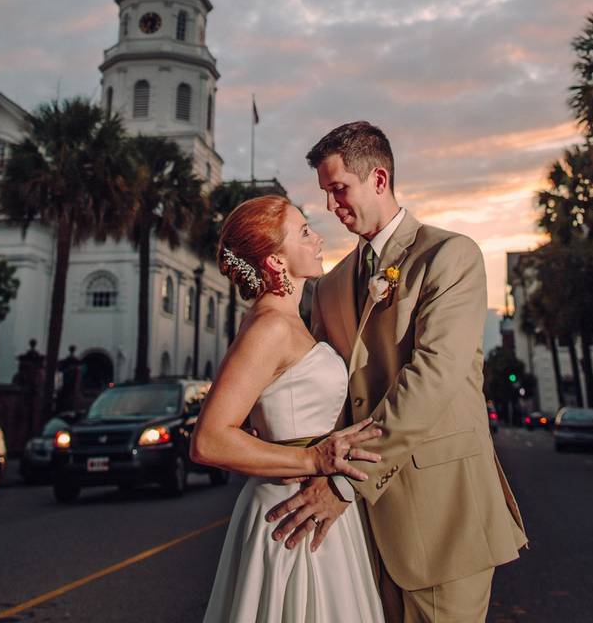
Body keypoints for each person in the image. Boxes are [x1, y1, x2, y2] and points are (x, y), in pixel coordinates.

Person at [264, 121, 529, 622]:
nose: (331, 206)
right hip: (359, 531)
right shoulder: (332, 284)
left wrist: (344, 483)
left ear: (379, 180)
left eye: (339, 189)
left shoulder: (450, 256)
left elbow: (434, 378)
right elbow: (332, 389)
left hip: (443, 517)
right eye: (324, 193)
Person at [191, 195, 386, 622]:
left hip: (315, 502)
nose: (317, 237)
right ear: (276, 262)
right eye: (303, 232)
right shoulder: (271, 327)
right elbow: (208, 440)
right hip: (291, 509)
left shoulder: (289, 319)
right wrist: (310, 458)